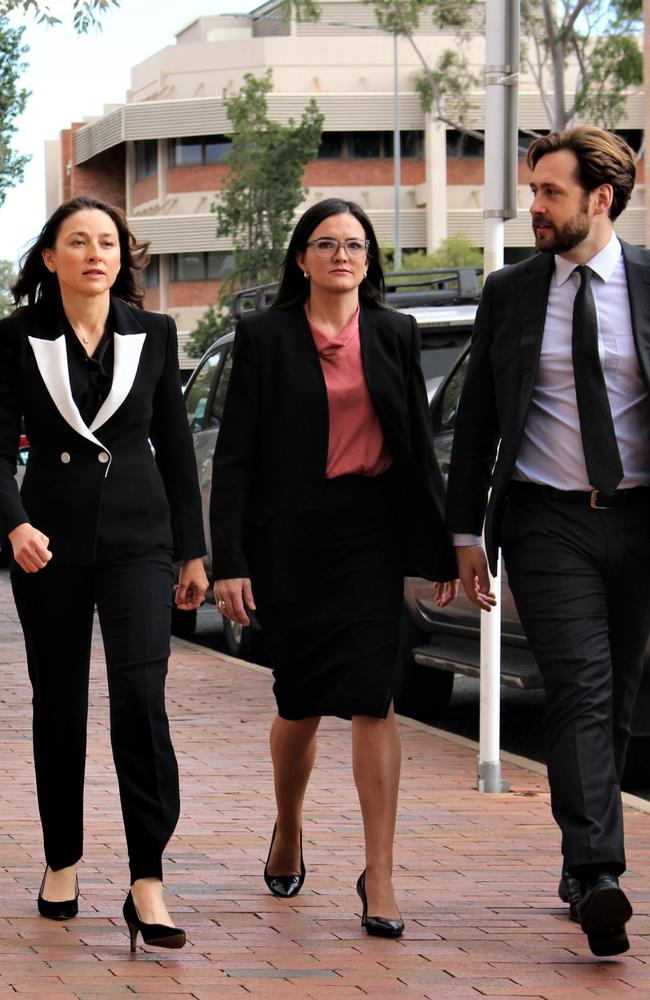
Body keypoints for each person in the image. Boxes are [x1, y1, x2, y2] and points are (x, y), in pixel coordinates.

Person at [209, 197, 457, 938]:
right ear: (302, 258)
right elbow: (235, 456)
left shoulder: (395, 333)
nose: (342, 255)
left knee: (375, 697)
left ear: (369, 259)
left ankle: (379, 873)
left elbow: (414, 441)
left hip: (369, 534)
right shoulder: (263, 337)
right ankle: (288, 826)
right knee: (299, 702)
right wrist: (231, 560)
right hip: (288, 538)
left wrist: (441, 545)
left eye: (355, 244)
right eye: (327, 243)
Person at [446, 127, 650, 957]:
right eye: (532, 191)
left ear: (601, 199)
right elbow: (478, 423)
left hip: (639, 517)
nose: (534, 206)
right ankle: (599, 871)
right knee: (578, 688)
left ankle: (582, 860)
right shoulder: (512, 292)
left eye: (551, 193)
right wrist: (465, 533)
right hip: (546, 519)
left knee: (621, 694)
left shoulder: (647, 283)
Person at [0, 195, 208, 951]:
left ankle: (148, 878)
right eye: (79, 242)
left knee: (140, 701)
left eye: (110, 243)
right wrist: (14, 523)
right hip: (46, 544)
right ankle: (63, 859)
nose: (97, 253)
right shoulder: (16, 337)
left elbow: (177, 447)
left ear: (124, 257)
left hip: (138, 543)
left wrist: (193, 550)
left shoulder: (153, 332)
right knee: (59, 701)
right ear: (50, 257)